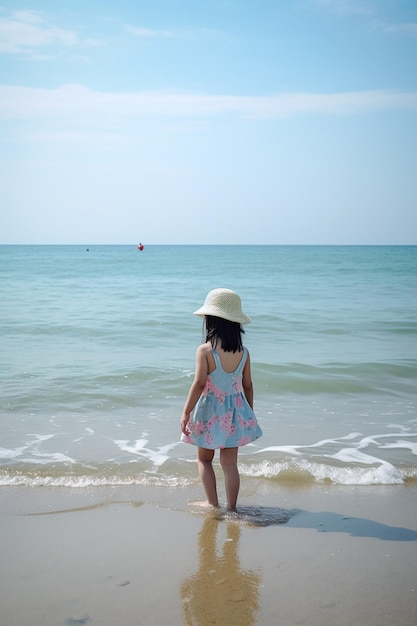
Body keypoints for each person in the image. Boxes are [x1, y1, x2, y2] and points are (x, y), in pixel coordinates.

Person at [180, 288, 262, 510]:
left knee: (205, 460)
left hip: (209, 412)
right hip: (235, 413)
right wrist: (248, 413)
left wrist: (186, 411)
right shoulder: (244, 352)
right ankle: (232, 508)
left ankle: (212, 503)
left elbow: (198, 384)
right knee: (230, 464)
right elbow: (248, 385)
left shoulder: (206, 351)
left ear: (211, 321)